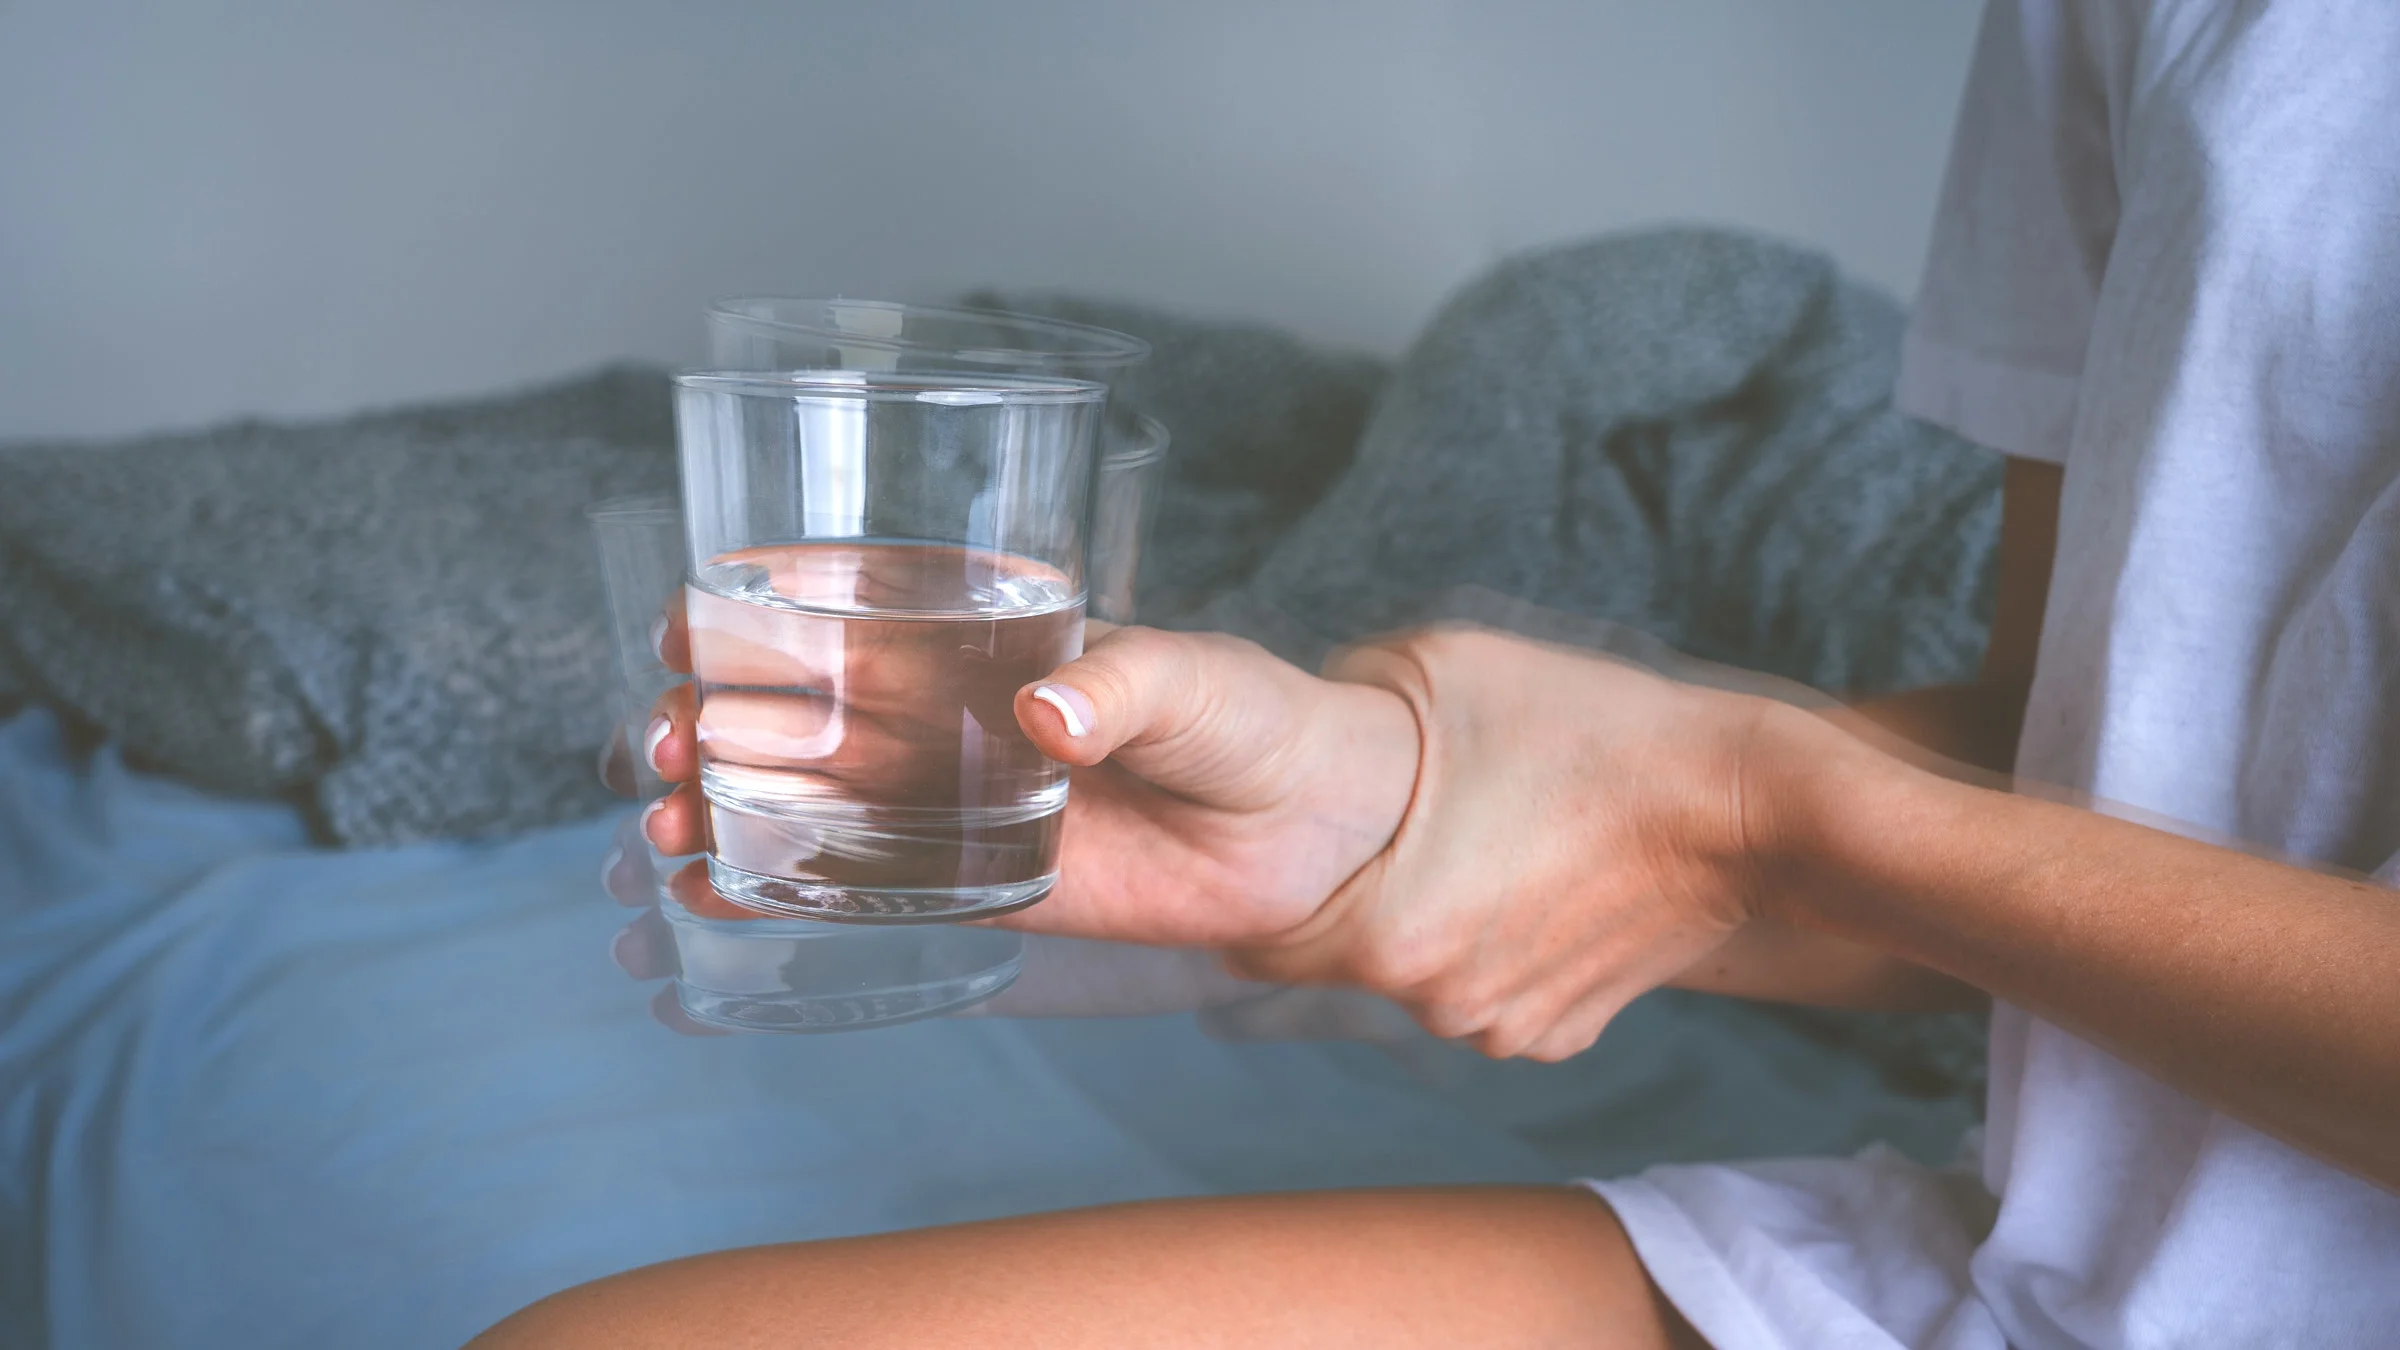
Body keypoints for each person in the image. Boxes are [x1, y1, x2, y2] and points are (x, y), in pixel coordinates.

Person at [477, 2, 2400, 1345]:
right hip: (2055, 1273)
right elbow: (2077, 789)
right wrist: (1362, 849)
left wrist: (1745, 807)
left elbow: (1857, 836)